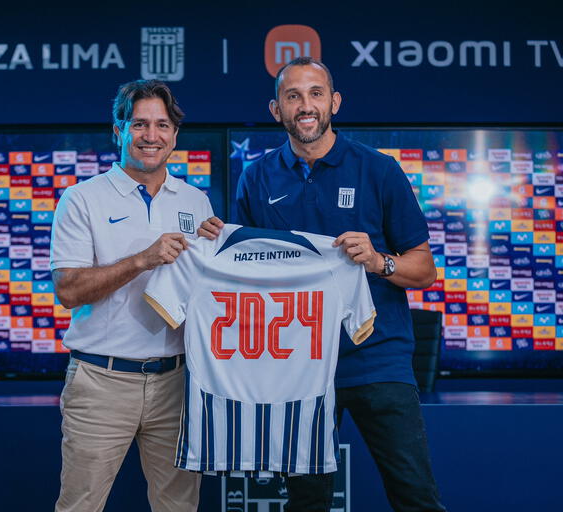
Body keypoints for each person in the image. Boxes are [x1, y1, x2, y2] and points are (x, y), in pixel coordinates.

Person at [199, 57, 446, 512]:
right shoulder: (256, 176)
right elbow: (247, 278)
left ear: (334, 102)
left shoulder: (379, 170)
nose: (305, 105)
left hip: (378, 359)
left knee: (415, 494)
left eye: (315, 94)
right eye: (292, 96)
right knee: (306, 502)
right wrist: (212, 250)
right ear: (276, 110)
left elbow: (425, 270)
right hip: (298, 365)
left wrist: (377, 261)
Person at [51, 79, 212, 512]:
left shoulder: (197, 201)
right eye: (139, 124)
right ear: (119, 129)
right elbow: (68, 291)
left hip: (177, 383)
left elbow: (207, 294)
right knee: (80, 506)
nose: (151, 136)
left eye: (162, 125)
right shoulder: (81, 199)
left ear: (175, 135)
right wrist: (141, 260)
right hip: (101, 383)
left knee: (179, 506)